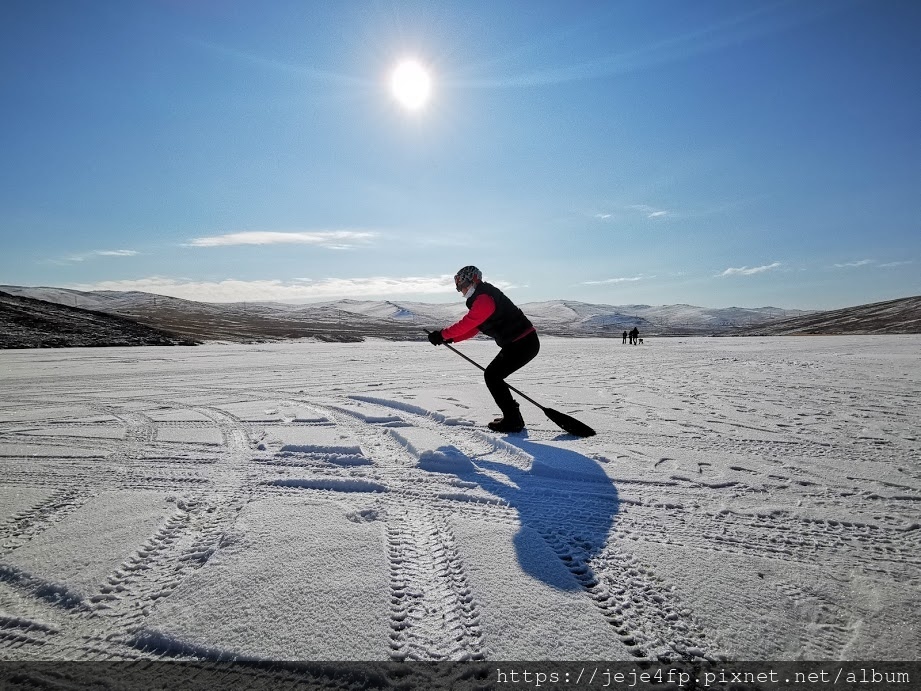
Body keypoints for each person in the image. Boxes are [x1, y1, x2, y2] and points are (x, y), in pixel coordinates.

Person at [427, 266, 539, 433]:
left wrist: (443, 334)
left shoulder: (484, 299)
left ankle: (513, 419)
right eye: (458, 287)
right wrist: (450, 338)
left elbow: (468, 323)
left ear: (473, 280)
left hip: (523, 343)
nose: (461, 290)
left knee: (492, 375)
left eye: (462, 285)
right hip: (519, 343)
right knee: (494, 375)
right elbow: (474, 328)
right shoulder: (481, 298)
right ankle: (513, 416)